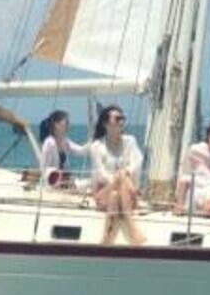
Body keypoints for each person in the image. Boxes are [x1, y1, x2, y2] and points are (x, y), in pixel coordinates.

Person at [88, 104, 145, 245]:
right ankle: (131, 226)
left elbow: (137, 161)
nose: (121, 121)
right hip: (103, 194)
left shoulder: (130, 141)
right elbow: (100, 174)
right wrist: (119, 179)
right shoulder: (96, 146)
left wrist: (126, 173)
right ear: (106, 123)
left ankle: (106, 238)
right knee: (117, 186)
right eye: (118, 118)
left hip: (124, 194)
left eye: (122, 118)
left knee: (115, 194)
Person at [36, 109, 86, 188]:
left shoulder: (65, 141)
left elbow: (81, 151)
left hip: (65, 182)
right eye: (66, 123)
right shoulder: (49, 143)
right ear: (56, 124)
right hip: (52, 184)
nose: (68, 126)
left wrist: (93, 143)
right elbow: (44, 168)